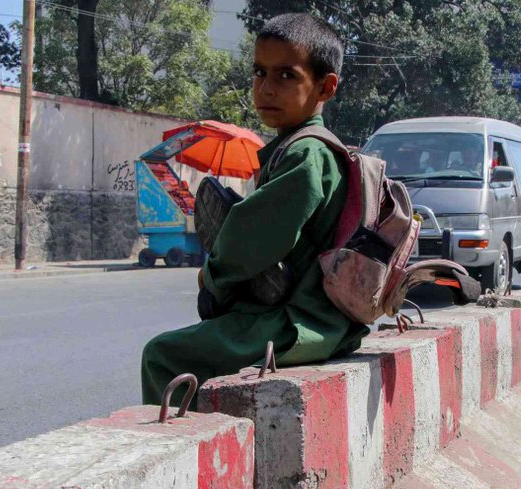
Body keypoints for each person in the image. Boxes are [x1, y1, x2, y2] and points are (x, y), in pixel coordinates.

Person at [140, 13, 369, 407]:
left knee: (163, 356)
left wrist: (212, 277)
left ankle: (194, 463)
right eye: (259, 73)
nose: (265, 88)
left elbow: (251, 239)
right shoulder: (301, 147)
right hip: (313, 320)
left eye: (286, 76)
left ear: (325, 87)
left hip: (297, 323)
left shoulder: (307, 153)